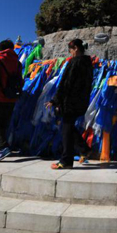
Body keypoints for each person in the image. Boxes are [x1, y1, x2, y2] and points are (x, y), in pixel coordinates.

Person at [49, 39, 93, 170]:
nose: (70, 53)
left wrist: (55, 100)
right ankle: (84, 149)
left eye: (71, 50)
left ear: (76, 48)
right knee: (67, 127)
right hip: (80, 100)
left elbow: (65, 83)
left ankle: (66, 160)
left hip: (69, 101)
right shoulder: (88, 63)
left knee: (66, 130)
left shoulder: (74, 62)